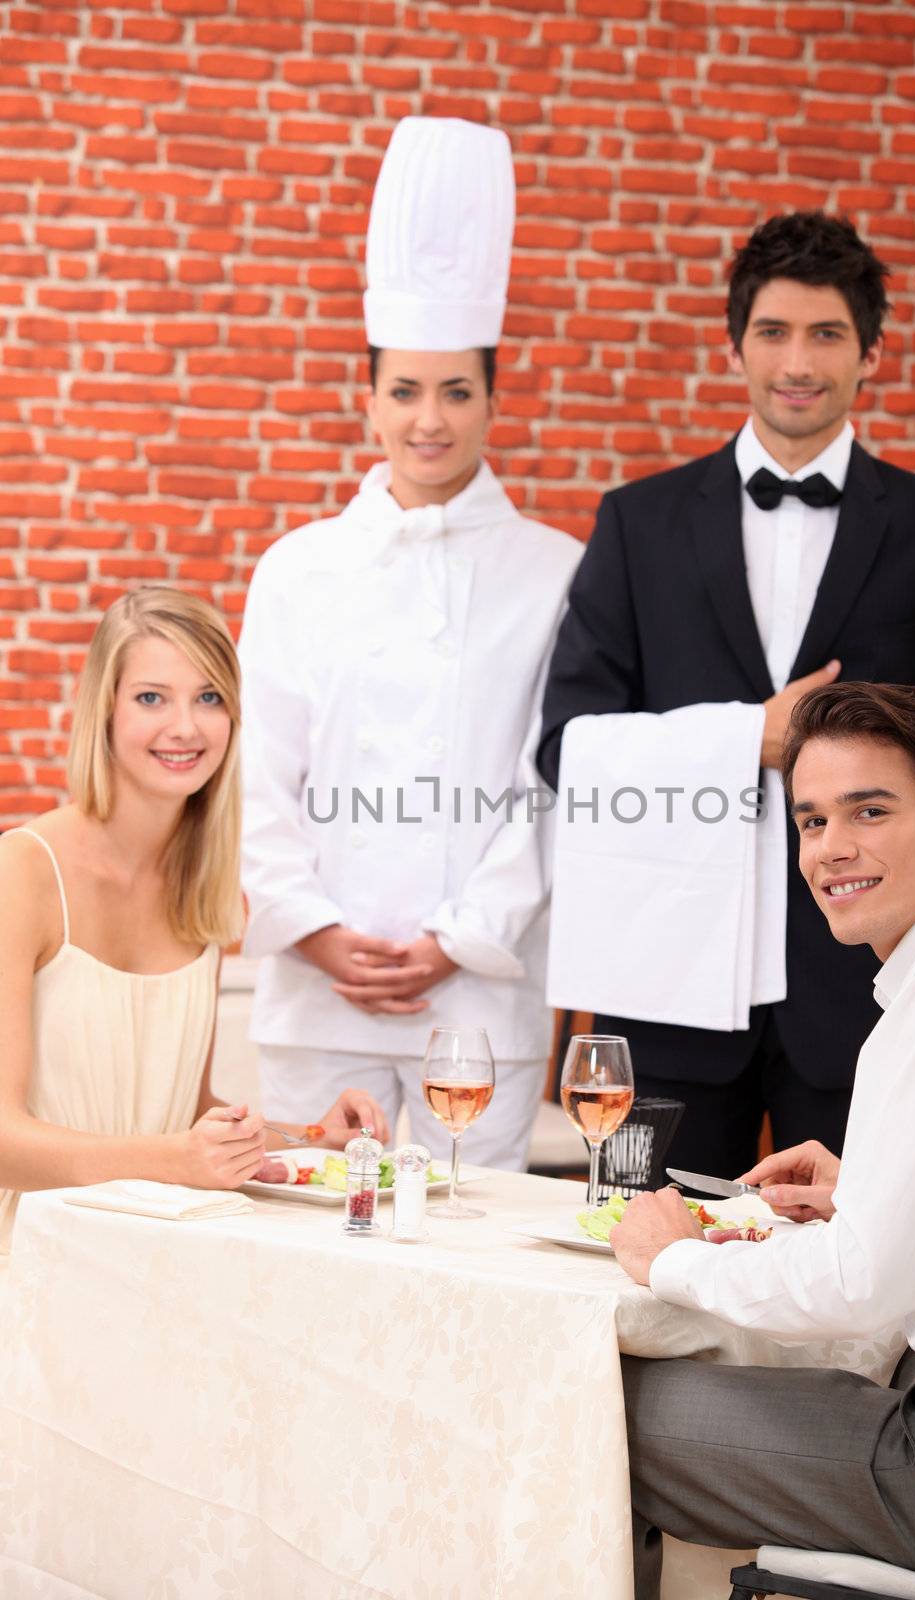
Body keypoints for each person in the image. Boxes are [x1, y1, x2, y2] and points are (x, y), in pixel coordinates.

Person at [538, 211, 915, 1180]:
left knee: (866, 1292)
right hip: (664, 998)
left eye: (825, 334)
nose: (796, 361)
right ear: (735, 346)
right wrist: (744, 740)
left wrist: (859, 800)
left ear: (868, 354)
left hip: (875, 993)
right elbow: (563, 746)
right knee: (636, 1253)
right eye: (771, 332)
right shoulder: (636, 525)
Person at [610, 682, 915, 1595]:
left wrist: (669, 1262)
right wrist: (871, 1188)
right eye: (811, 821)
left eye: (868, 810)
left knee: (583, 1406)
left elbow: (861, 1289)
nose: (831, 849)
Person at [239, 117, 581, 1170]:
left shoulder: (557, 570)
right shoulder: (296, 567)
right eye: (403, 390)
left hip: (477, 999)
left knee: (465, 1261)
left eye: (455, 391)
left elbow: (553, 783)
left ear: (491, 399)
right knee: (310, 1254)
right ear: (369, 397)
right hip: (312, 999)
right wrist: (311, 925)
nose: (427, 420)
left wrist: (455, 940)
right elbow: (256, 773)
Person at [0, 588, 388, 1258]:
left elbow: (180, 1111)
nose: (185, 726)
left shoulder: (204, 890)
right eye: (152, 697)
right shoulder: (24, 873)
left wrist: (308, 1137)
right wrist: (175, 1161)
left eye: (209, 698)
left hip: (153, 1251)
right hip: (32, 1255)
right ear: (106, 710)